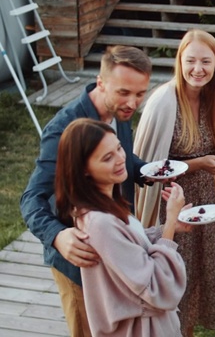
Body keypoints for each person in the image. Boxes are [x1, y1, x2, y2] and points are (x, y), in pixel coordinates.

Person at [20, 46, 152, 336]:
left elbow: (123, 160)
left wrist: (150, 171)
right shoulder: (64, 129)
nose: (132, 103)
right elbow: (32, 198)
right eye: (124, 92)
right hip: (79, 265)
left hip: (115, 248)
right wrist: (56, 236)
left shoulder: (120, 111)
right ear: (101, 82)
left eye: (140, 94)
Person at [134, 29, 215, 336]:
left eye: (206, 62)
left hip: (203, 205)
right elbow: (147, 169)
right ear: (180, 62)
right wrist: (197, 164)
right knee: (171, 276)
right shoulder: (163, 102)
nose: (198, 69)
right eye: (191, 61)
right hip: (170, 204)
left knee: (196, 276)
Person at [55, 118, 187, 336]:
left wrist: (169, 227)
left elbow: (129, 249)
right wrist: (171, 221)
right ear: (84, 170)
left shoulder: (106, 204)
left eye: (119, 148)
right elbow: (155, 285)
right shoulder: (100, 222)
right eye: (107, 158)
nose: (120, 160)